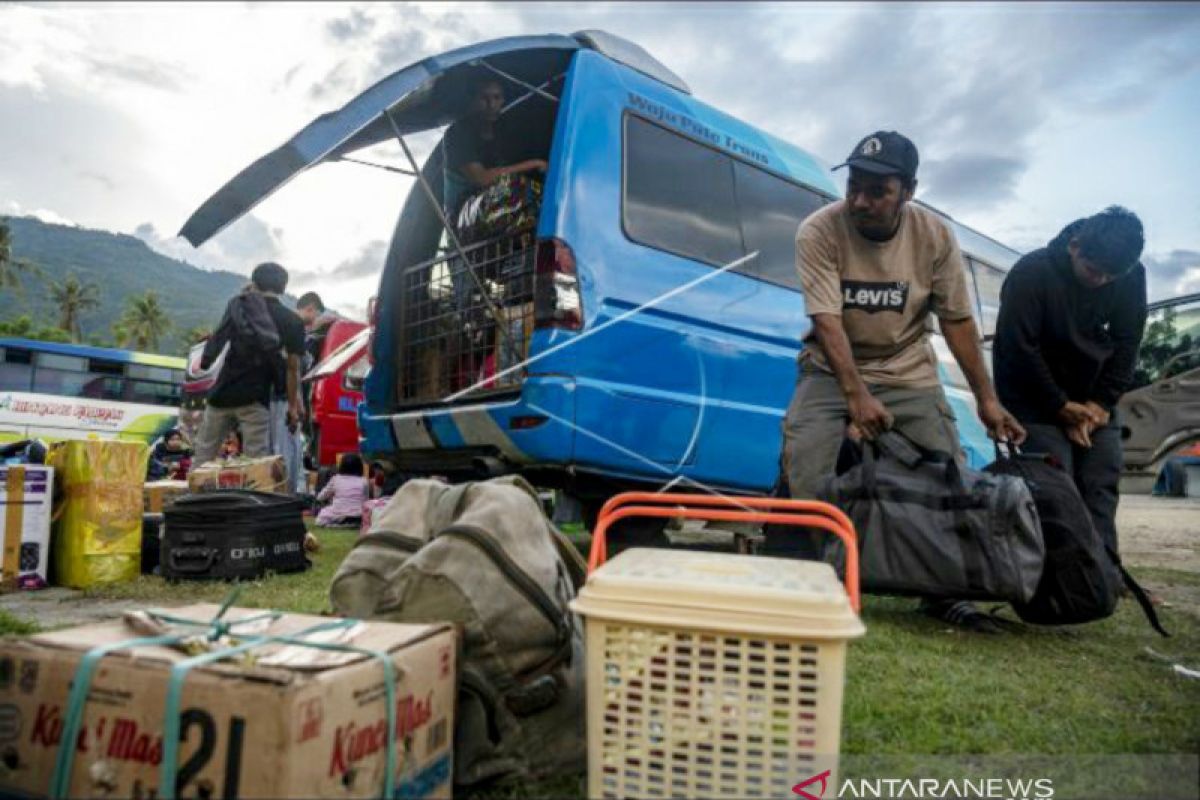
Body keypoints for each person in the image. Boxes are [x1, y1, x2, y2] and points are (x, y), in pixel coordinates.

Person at [777, 130, 1026, 633]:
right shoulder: (819, 230)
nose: (860, 201)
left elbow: (956, 321)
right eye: (854, 186)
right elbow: (827, 319)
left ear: (907, 191)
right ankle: (821, 582)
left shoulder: (934, 236)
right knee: (806, 462)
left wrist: (987, 399)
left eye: (877, 191)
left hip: (906, 368)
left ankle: (943, 593)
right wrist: (855, 395)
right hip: (830, 368)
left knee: (948, 472)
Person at [993, 206, 1147, 557]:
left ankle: (1104, 577)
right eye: (1094, 271)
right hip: (1034, 398)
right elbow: (1019, 348)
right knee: (1054, 487)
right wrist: (1059, 406)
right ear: (1075, 246)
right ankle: (1053, 576)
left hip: (1092, 398)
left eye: (1111, 276)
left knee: (1101, 485)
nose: (1102, 281)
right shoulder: (1032, 273)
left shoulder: (1129, 275)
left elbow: (1128, 342)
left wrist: (1099, 405)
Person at [194, 263, 294, 464]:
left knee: (205, 454)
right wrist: (284, 391)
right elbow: (292, 365)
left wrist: (205, 362)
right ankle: (248, 496)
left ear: (255, 281)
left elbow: (219, 336)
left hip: (223, 393)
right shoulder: (289, 319)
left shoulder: (237, 305)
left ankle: (194, 492)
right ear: (283, 287)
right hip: (255, 398)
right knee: (254, 462)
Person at [442, 76, 548, 222]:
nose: (491, 104)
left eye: (496, 97)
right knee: (523, 190)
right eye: (484, 98)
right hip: (462, 213)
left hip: (498, 204)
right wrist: (534, 164)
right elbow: (482, 178)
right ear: (472, 100)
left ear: (503, 100)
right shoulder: (457, 134)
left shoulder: (503, 130)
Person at [315, 453, 369, 527]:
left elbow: (320, 497)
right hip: (358, 514)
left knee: (321, 516)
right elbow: (365, 501)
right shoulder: (364, 481)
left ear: (342, 466)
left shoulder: (336, 479)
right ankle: (354, 524)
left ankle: (337, 525)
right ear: (360, 466)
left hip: (338, 513)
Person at [296, 292, 341, 371]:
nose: (317, 318)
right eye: (317, 314)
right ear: (310, 308)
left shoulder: (302, 331)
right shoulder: (292, 329)